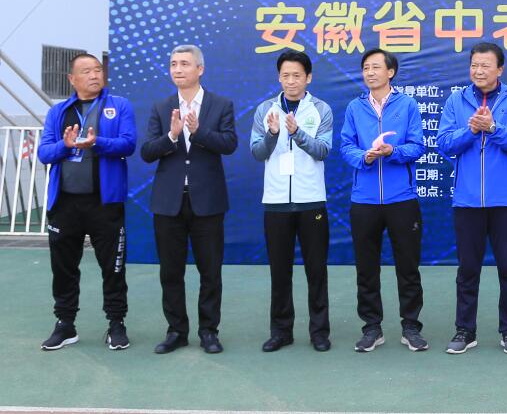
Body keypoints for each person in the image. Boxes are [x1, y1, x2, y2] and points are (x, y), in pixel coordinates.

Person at [139, 45, 238, 355]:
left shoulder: (220, 105)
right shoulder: (161, 107)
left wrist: (198, 131)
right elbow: (147, 152)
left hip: (207, 202)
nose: (178, 69)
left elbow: (229, 144)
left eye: (184, 63)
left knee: (210, 271)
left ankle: (209, 331)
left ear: (200, 69)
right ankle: (176, 331)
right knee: (170, 272)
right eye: (173, 64)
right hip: (168, 203)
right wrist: (171, 136)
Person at [435, 42, 507, 355]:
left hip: (506, 201)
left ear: (499, 69)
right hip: (467, 200)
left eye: (485, 65)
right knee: (468, 270)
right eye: (474, 65)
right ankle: (465, 330)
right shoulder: (456, 100)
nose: (478, 71)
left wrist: (493, 127)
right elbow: (444, 143)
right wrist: (472, 130)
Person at [36, 53, 136, 351]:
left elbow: (128, 144)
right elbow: (44, 153)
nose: (94, 75)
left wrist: (97, 142)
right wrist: (65, 146)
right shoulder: (58, 112)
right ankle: (65, 324)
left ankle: (116, 323)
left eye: (97, 70)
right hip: (65, 205)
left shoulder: (119, 105)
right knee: (63, 268)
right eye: (86, 71)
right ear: (72, 79)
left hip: (105, 203)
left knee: (113, 268)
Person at [339, 48, 428, 353]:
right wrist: (364, 157)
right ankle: (372, 328)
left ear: (391, 72)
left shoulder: (407, 105)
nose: (370, 72)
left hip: (402, 198)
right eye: (366, 67)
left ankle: (411, 327)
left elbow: (418, 146)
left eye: (376, 67)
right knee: (366, 268)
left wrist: (393, 152)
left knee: (408, 266)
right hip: (364, 200)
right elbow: (346, 146)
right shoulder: (355, 107)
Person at [249, 51, 334, 353]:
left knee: (316, 270)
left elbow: (323, 150)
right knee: (280, 271)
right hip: (275, 203)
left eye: (297, 75)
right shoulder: (265, 110)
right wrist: (273, 134)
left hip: (312, 202)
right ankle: (281, 331)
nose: (291, 81)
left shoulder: (320, 109)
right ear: (279, 77)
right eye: (285, 75)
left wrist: (297, 133)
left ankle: (319, 332)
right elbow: (257, 152)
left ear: (308, 77)